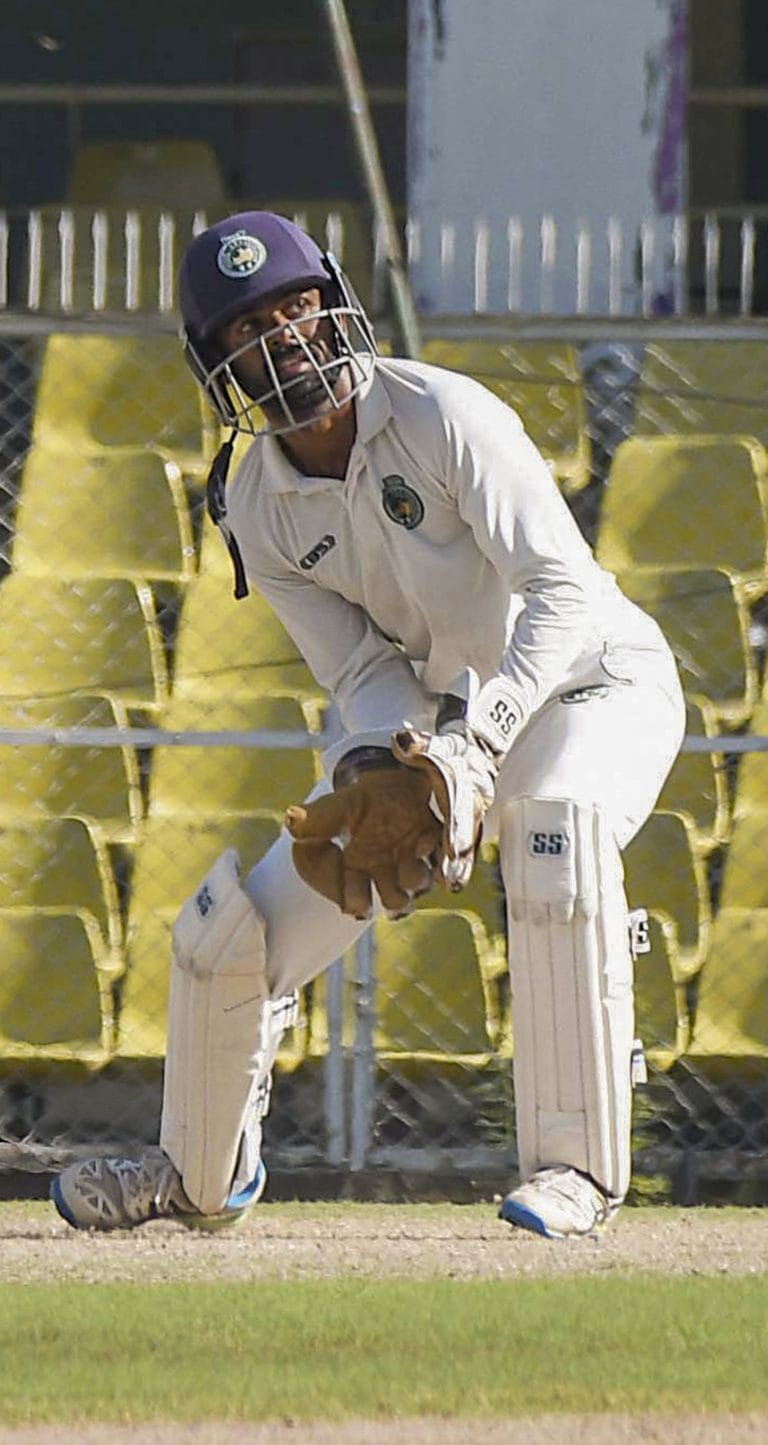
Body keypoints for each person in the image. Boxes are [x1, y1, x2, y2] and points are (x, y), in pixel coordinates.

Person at [51, 213, 684, 1240]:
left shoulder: (443, 414)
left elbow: (561, 591)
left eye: (298, 305)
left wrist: (473, 755)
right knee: (232, 928)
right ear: (219, 365)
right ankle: (199, 1171)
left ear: (334, 302)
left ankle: (576, 1172)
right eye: (251, 324)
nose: (287, 335)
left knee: (552, 828)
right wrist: (377, 766)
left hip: (591, 687)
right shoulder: (256, 504)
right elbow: (356, 669)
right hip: (430, 734)